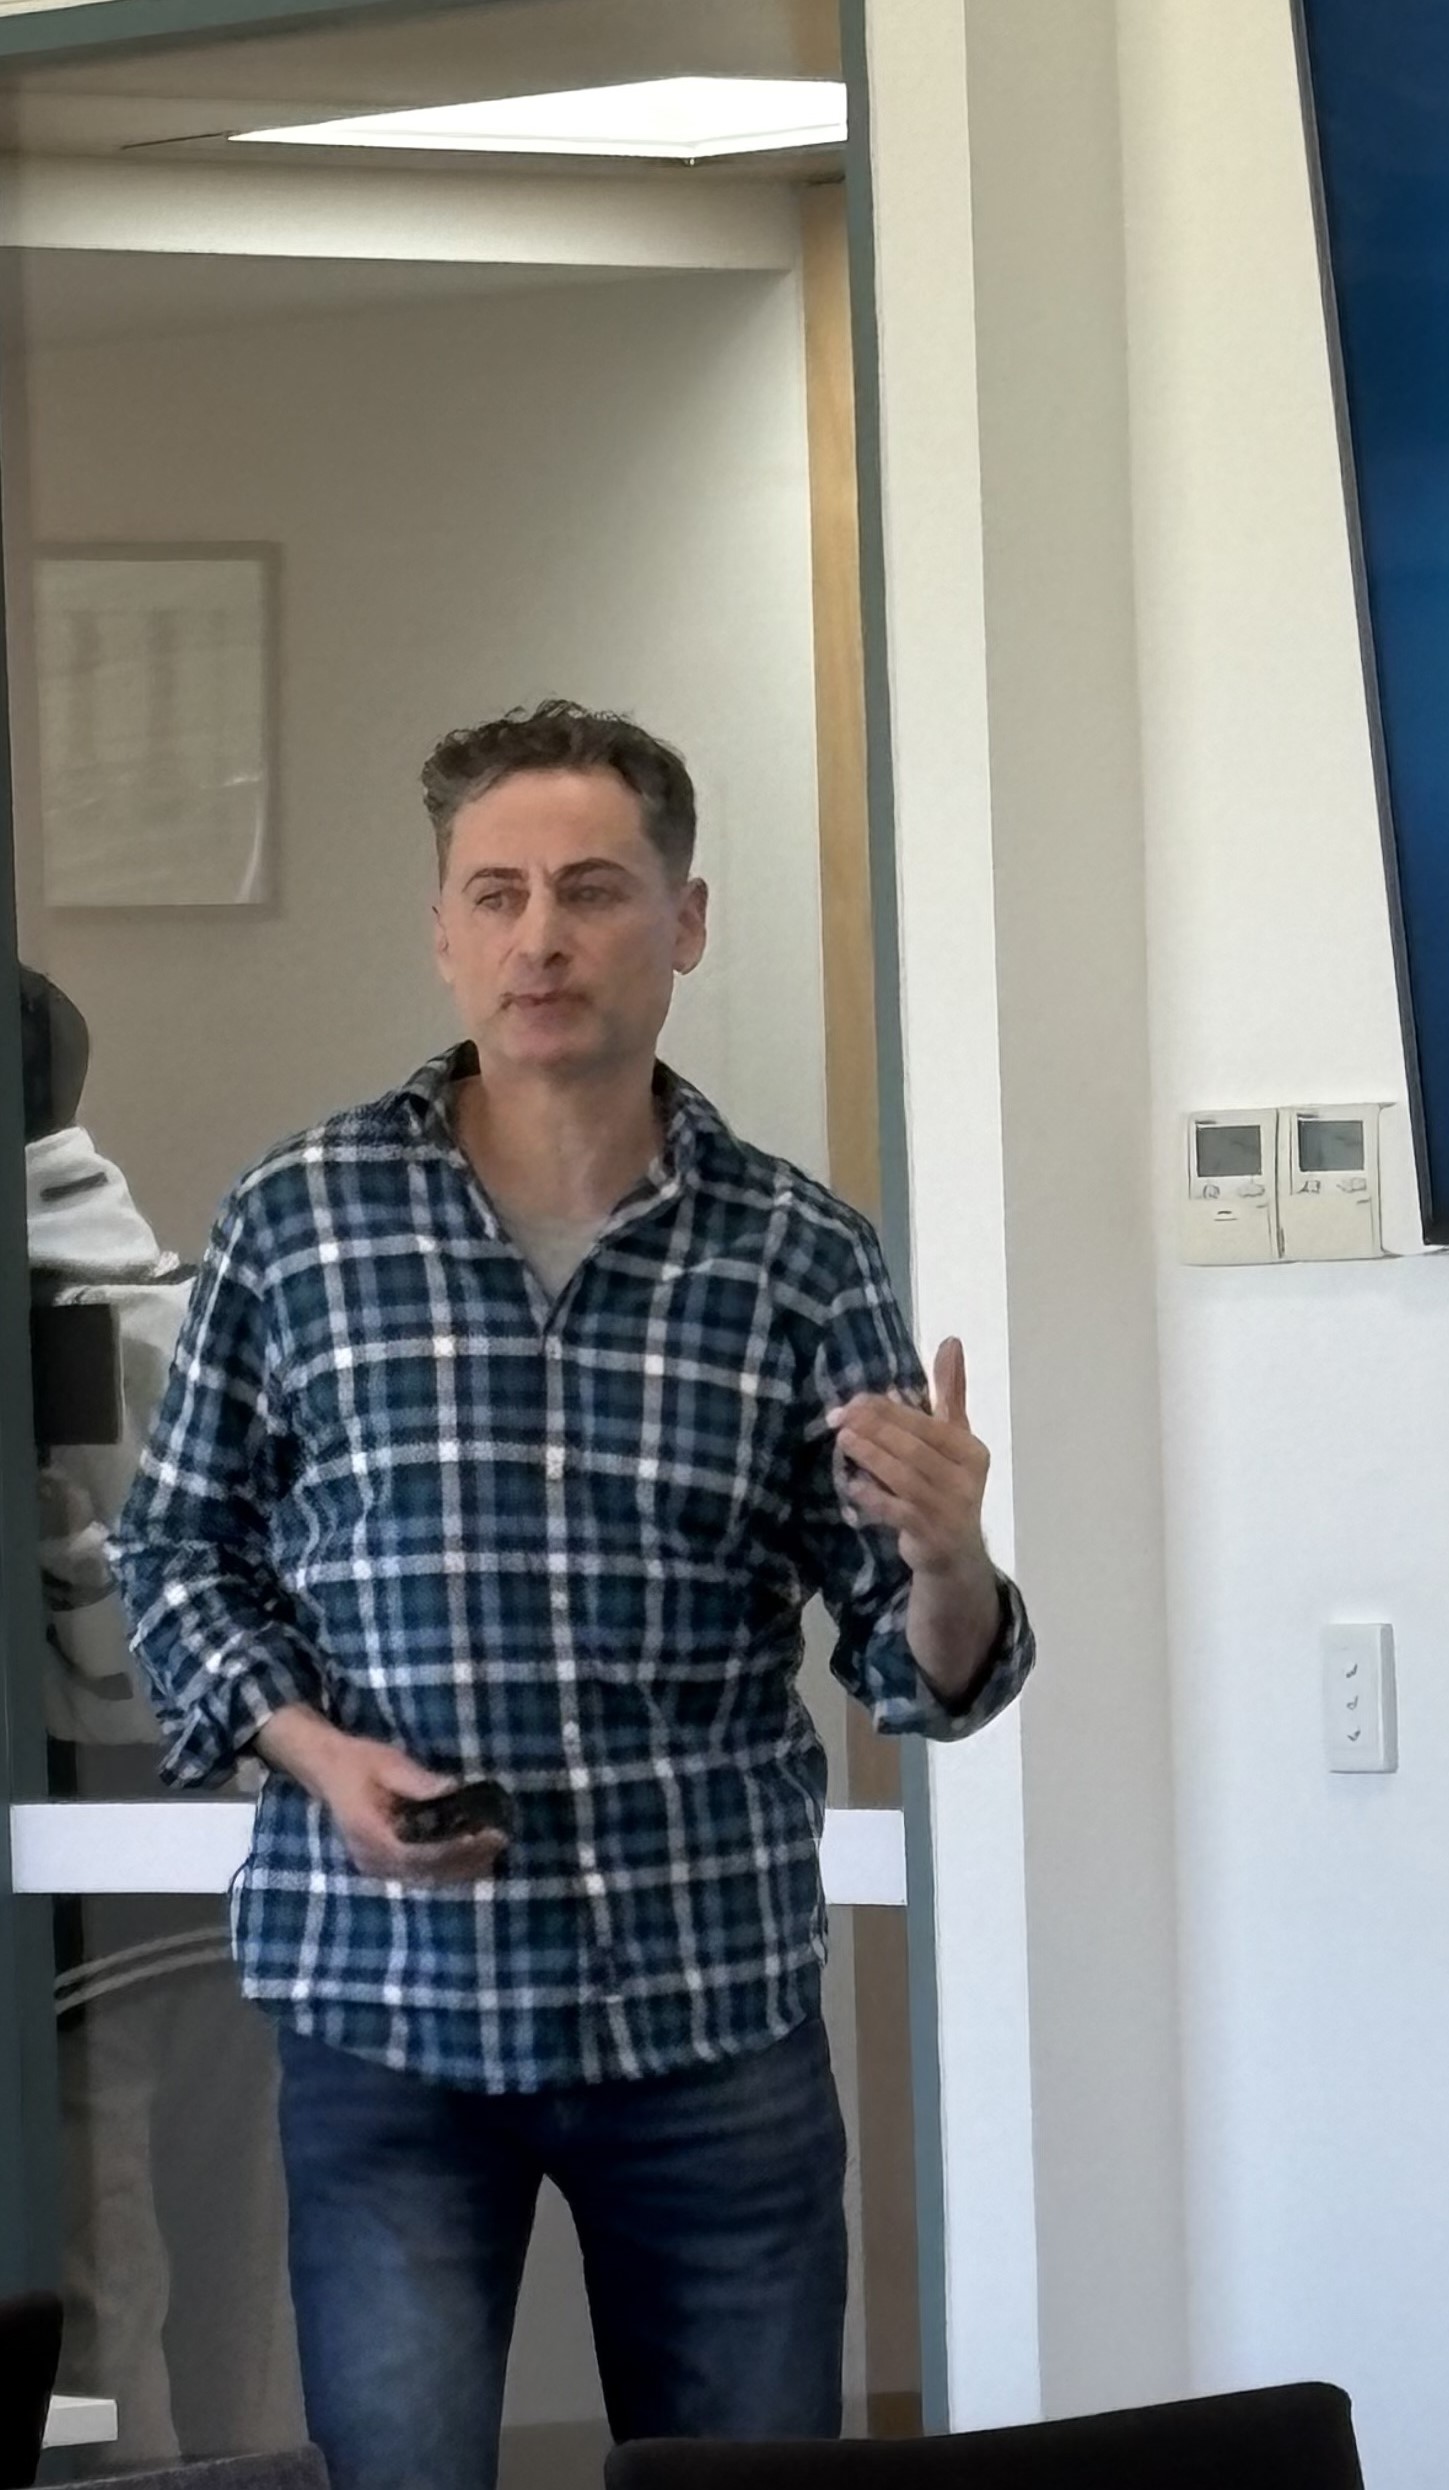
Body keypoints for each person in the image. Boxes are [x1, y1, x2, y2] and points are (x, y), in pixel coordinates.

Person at [112, 700, 1034, 2490]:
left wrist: (949, 1560)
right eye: (499, 893)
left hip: (705, 2014)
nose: (541, 936)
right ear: (443, 931)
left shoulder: (799, 1251)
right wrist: (314, 1753)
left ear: (684, 921)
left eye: (593, 890)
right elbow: (173, 1553)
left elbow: (920, 1671)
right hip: (385, 2011)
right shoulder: (298, 1221)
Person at [22, 965, 301, 2465]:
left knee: (99, 2303)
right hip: (227, 1856)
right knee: (231, 2276)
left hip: (80, 1887)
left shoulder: (43, 1317)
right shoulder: (170, 1286)